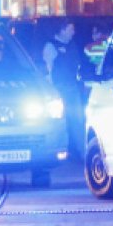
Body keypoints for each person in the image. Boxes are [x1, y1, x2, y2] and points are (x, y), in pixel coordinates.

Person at [43, 21, 86, 159]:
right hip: (59, 89)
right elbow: (48, 70)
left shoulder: (71, 46)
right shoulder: (51, 46)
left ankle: (82, 152)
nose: (73, 32)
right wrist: (51, 90)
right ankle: (62, 151)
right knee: (61, 122)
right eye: (70, 29)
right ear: (62, 30)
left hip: (72, 87)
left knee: (77, 120)